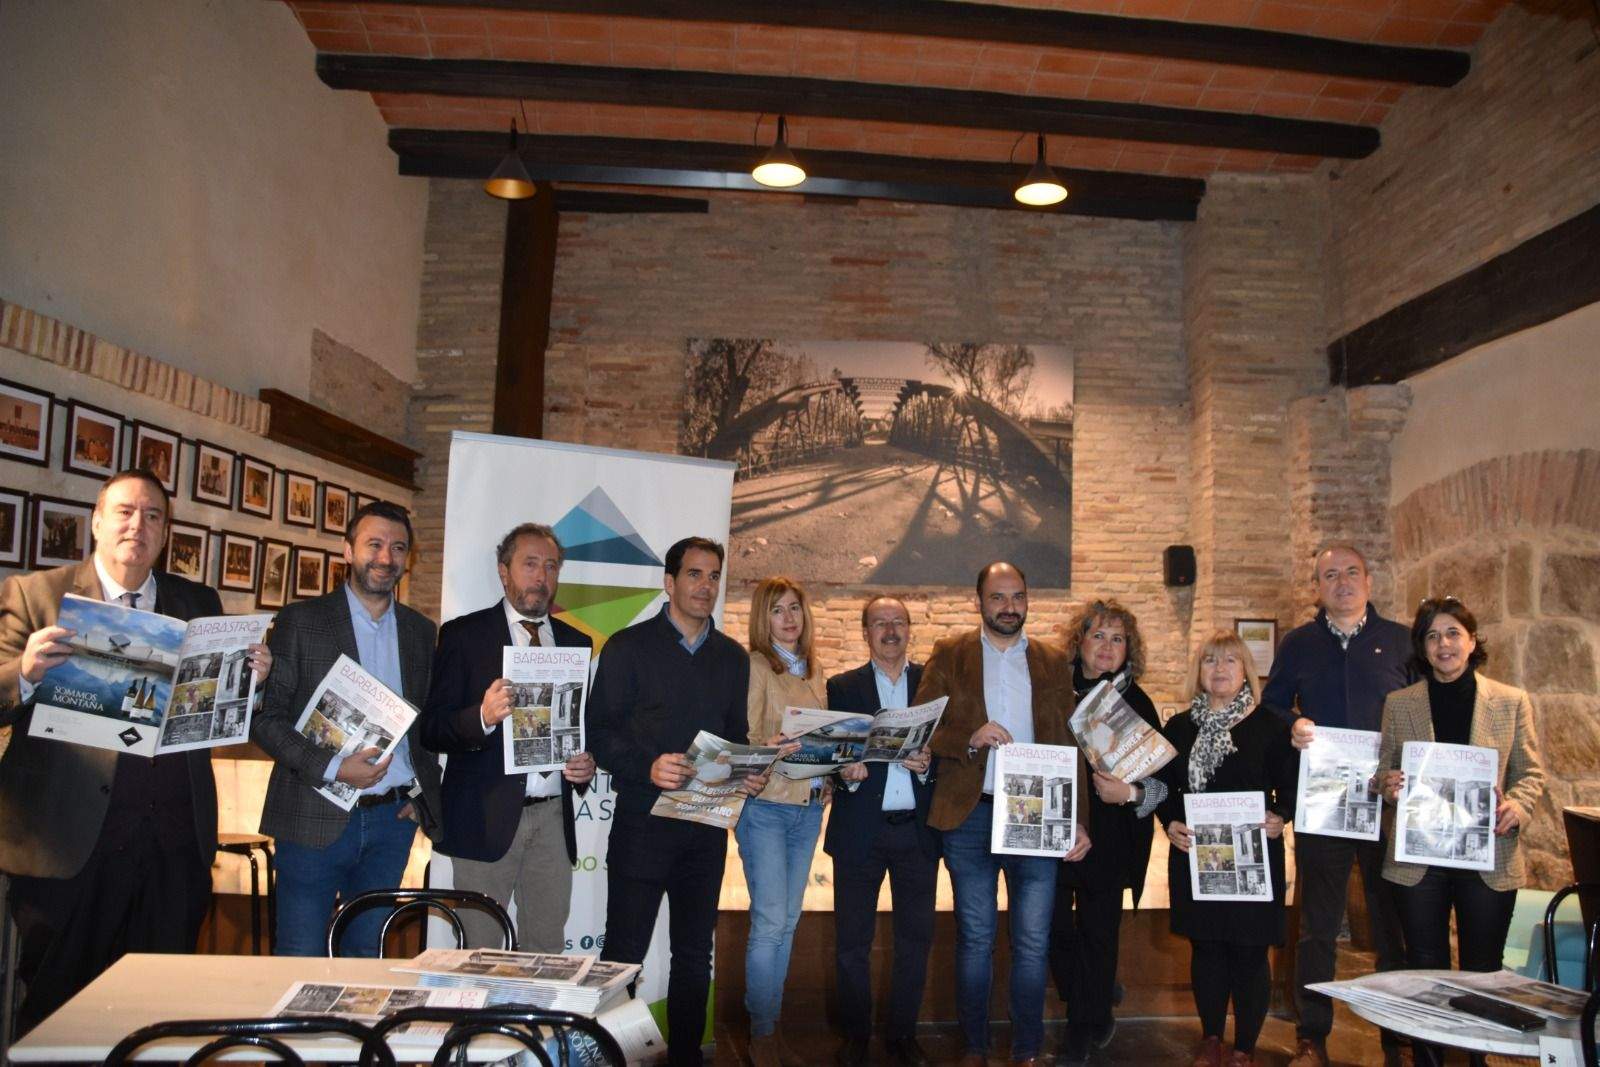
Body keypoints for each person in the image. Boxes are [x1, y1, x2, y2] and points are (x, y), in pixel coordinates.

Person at [0, 468, 270, 1032]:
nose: (136, 525)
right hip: (69, 853)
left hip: (173, 851)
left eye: (152, 516)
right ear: (96, 521)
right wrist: (24, 674)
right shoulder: (37, 594)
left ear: (165, 533)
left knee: (156, 1020)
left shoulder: (197, 601)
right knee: (56, 1019)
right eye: (124, 511)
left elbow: (221, 711)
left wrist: (253, 678)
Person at [589, 537, 760, 1067]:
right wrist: (646, 766)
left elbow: (736, 733)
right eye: (694, 575)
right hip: (643, 824)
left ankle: (687, 1056)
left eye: (713, 576)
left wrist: (747, 772)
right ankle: (614, 1057)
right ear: (670, 582)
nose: (705, 586)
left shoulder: (732, 657)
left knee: (693, 957)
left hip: (706, 829)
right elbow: (600, 730)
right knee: (622, 957)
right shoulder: (627, 646)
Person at [252, 500, 442, 957]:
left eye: (398, 548)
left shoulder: (421, 631)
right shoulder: (302, 621)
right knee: (300, 957)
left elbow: (426, 729)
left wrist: (419, 798)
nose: (385, 557)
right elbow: (266, 718)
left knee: (366, 961)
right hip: (311, 816)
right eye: (374, 544)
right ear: (347, 550)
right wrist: (336, 767)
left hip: (391, 824)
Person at [919, 562, 1091, 1067]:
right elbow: (921, 727)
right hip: (970, 815)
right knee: (975, 937)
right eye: (998, 597)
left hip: (1038, 815)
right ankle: (974, 1046)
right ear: (980, 600)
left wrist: (1077, 818)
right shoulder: (950, 654)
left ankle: (1027, 1048)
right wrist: (968, 739)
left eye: (1017, 596)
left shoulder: (1052, 660)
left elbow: (1070, 744)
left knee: (1033, 941)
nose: (1009, 606)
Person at [1376, 596, 1544, 1067]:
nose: (1443, 644)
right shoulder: (1399, 703)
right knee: (1425, 973)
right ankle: (1429, 1061)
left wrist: (1519, 805)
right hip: (1420, 862)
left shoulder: (1511, 702)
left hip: (1488, 856)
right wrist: (1387, 786)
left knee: (1483, 973)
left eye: (1453, 633)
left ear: (1472, 641)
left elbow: (1530, 773)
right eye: (1432, 636)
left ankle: (1477, 1060)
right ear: (1422, 649)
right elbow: (1383, 769)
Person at [1268, 545, 1414, 1067]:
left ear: (1369, 582)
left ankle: (1398, 1036)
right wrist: (1294, 725)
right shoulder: (1299, 644)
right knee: (1317, 926)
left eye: (1351, 572)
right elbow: (1271, 704)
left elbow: (1423, 715)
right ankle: (1312, 1035)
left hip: (1389, 804)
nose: (1343, 582)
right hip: (1324, 805)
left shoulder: (1401, 641)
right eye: (1330, 575)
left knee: (1391, 922)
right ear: (1318, 588)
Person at [420, 523, 596, 952]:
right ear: (504, 572)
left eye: (550, 566)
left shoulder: (577, 643)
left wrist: (584, 766)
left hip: (554, 819)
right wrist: (480, 717)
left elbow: (578, 727)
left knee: (546, 948)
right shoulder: (463, 636)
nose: (542, 577)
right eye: (530, 564)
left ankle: (536, 1023)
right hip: (483, 819)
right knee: (479, 951)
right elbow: (432, 728)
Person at [1159, 631, 1297, 1067]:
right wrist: (1169, 821)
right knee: (1207, 950)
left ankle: (1244, 1048)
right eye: (1210, 661)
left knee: (1250, 953)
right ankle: (1212, 1038)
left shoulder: (1271, 726)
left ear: (1246, 673)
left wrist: (1281, 817)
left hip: (1254, 860)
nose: (1219, 669)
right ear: (1198, 672)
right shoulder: (1178, 728)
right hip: (1195, 857)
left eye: (1230, 661)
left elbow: (1291, 788)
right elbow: (1161, 787)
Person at [1048, 599, 1165, 1066]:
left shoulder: (1138, 703)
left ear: (1128, 650)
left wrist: (1132, 792)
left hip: (1113, 837)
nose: (1107, 646)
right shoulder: (1055, 692)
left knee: (1099, 934)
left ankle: (1083, 1026)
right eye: (1098, 635)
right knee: (1053, 928)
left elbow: (1161, 782)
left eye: (1118, 639)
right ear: (1079, 643)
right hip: (1057, 829)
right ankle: (1093, 995)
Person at [826, 596, 936, 1067]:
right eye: (880, 623)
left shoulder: (932, 685)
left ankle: (902, 1035)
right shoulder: (842, 687)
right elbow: (828, 756)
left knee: (915, 939)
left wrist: (929, 767)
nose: (890, 630)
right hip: (859, 832)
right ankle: (855, 1036)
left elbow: (951, 759)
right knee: (852, 942)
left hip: (916, 833)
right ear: (865, 632)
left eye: (898, 622)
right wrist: (843, 774)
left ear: (909, 629)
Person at [737, 576, 828, 1067]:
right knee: (770, 923)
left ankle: (771, 1025)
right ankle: (762, 1033)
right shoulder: (755, 666)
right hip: (767, 807)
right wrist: (768, 748)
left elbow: (825, 742)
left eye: (795, 607)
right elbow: (746, 735)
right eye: (777, 610)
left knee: (788, 922)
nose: (789, 618)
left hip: (809, 806)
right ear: (762, 618)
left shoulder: (815, 670)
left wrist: (839, 763)